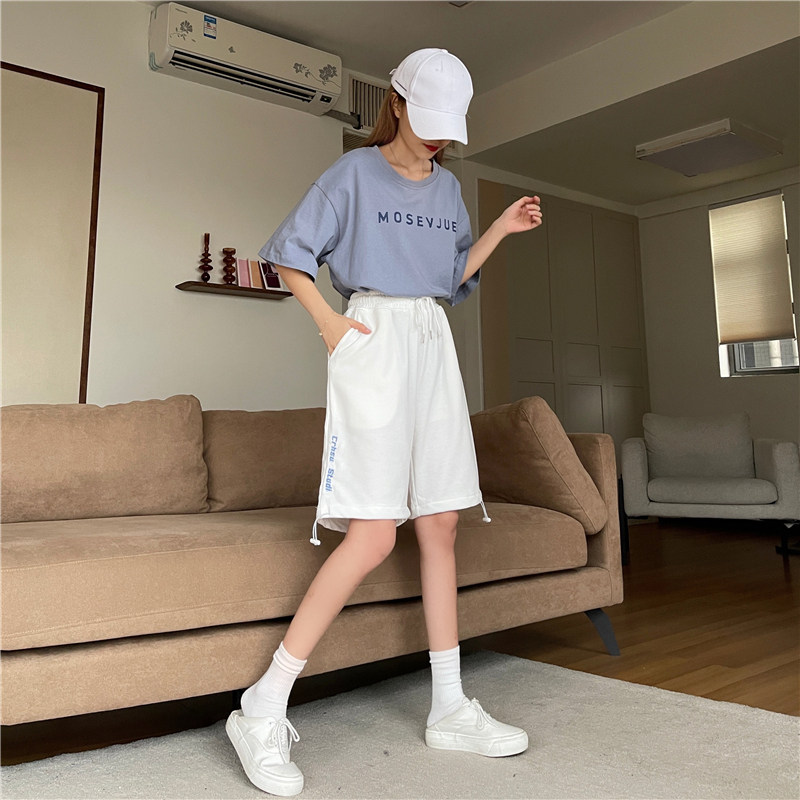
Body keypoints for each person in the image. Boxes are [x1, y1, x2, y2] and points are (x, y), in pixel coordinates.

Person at [225, 48, 543, 797]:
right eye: (426, 119)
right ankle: (261, 706)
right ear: (395, 103)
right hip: (372, 336)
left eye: (448, 127)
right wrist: (330, 325)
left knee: (441, 523)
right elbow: (290, 257)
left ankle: (449, 706)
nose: (437, 137)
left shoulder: (449, 188)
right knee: (373, 535)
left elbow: (448, 277)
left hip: (431, 338)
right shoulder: (352, 175)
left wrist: (498, 229)